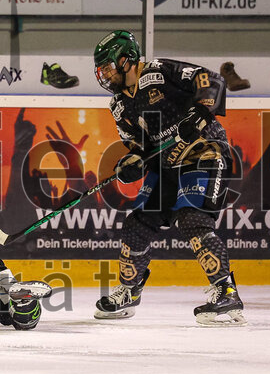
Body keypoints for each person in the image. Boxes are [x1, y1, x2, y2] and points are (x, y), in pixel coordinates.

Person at [92, 30, 243, 326]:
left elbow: (211, 81)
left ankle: (227, 294)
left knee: (192, 219)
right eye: (102, 71)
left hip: (205, 152)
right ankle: (130, 291)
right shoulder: (119, 106)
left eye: (109, 67)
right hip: (167, 165)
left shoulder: (160, 71)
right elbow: (140, 146)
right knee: (137, 223)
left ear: (126, 60)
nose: (106, 75)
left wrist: (197, 116)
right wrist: (132, 161)